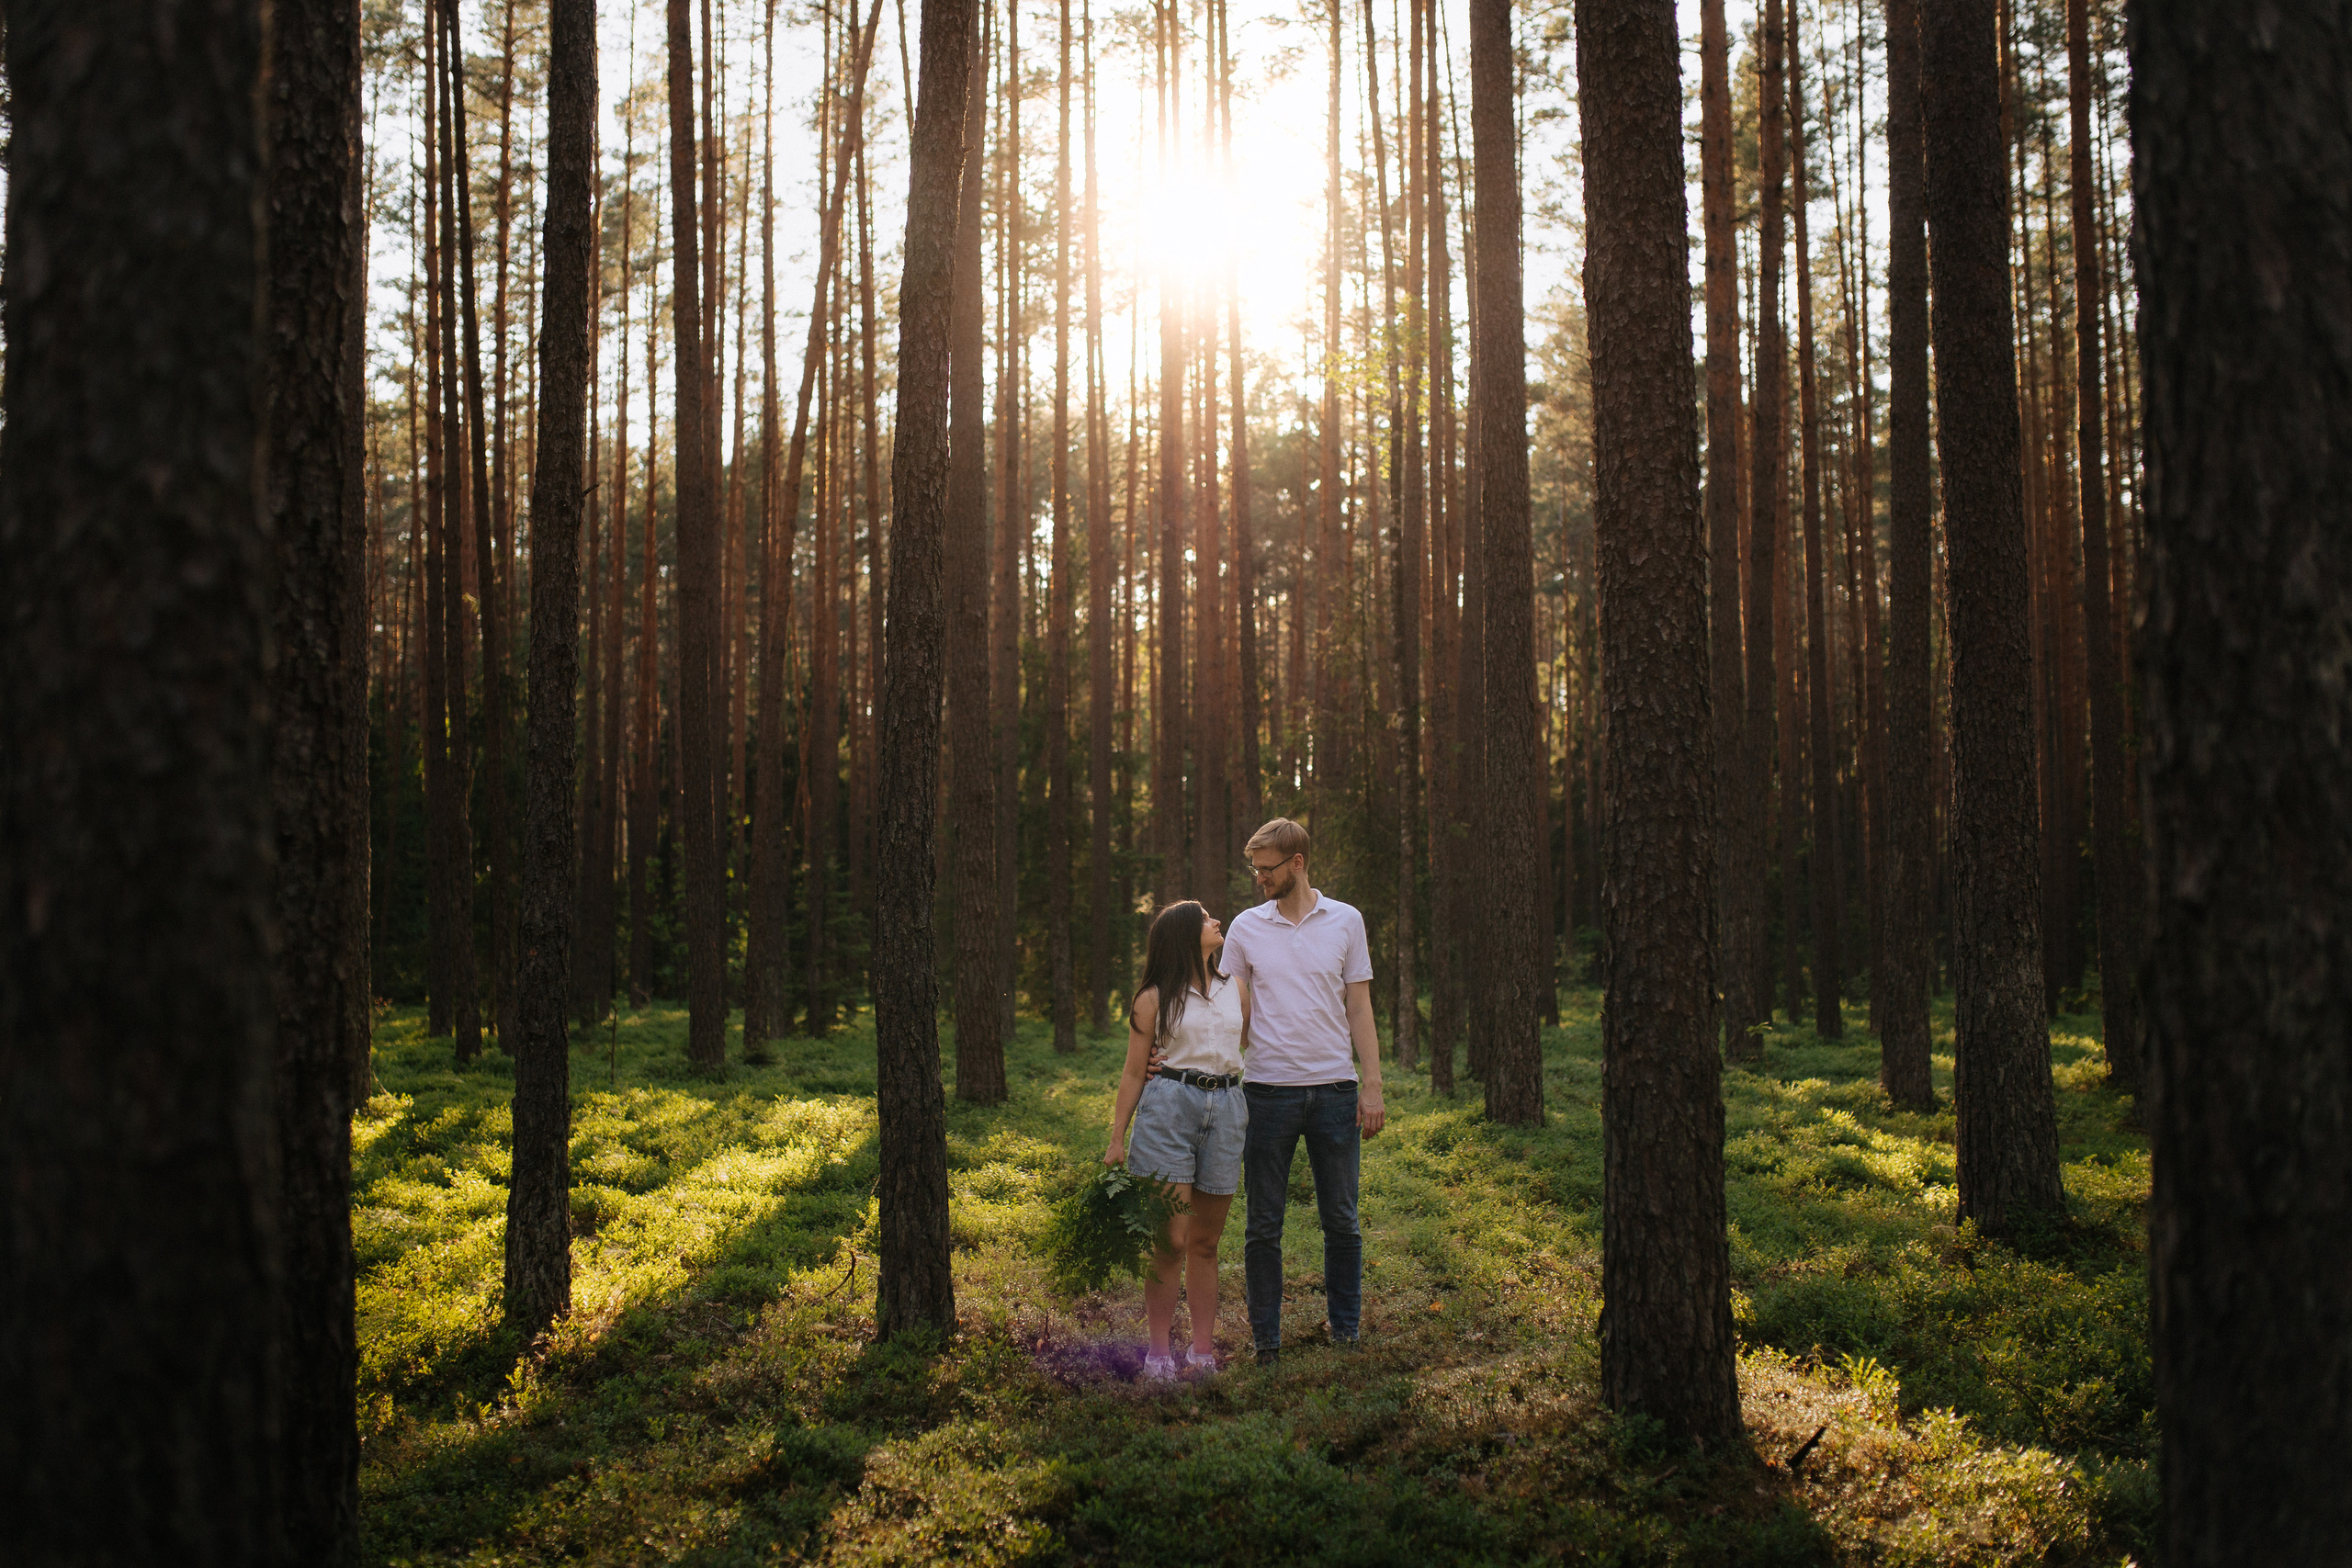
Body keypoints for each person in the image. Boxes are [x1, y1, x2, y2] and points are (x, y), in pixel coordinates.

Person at [1219, 818, 1385, 1366]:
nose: (1259, 879)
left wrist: (1372, 1087)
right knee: (1263, 1225)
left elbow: (1358, 1006)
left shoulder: (1346, 920)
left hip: (1336, 1090)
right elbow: (1228, 1010)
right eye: (1254, 869)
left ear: (1297, 863)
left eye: (1267, 869)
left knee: (1342, 1219)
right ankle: (1267, 1342)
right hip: (1266, 1093)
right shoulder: (1245, 928)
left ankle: (1346, 1333)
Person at [1103, 899, 1249, 1381]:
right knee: (1170, 1240)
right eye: (1206, 918)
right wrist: (1116, 1139)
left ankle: (1203, 1353)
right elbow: (1131, 1072)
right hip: (1168, 1109)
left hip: (1227, 1109)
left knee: (1205, 1242)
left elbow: (1237, 1048)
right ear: (1185, 935)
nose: (1216, 921)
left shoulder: (1236, 990)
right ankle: (1159, 1353)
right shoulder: (1152, 998)